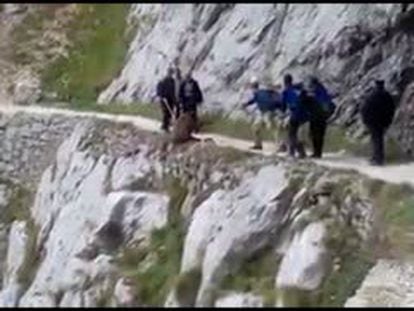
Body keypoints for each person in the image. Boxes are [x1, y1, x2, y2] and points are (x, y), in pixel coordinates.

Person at [242, 77, 285, 150]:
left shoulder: (262, 92)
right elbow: (252, 101)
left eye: (254, 85)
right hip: (263, 113)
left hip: (268, 112)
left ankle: (281, 145)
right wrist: (246, 104)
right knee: (256, 127)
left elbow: (274, 95)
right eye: (253, 85)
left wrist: (246, 104)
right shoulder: (260, 92)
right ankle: (258, 144)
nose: (253, 87)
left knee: (271, 128)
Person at [360, 80, 396, 166]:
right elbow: (392, 108)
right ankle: (379, 157)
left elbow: (364, 108)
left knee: (375, 139)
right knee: (379, 139)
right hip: (383, 121)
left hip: (372, 121)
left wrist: (365, 120)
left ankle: (376, 158)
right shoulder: (387, 95)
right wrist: (389, 120)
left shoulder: (370, 95)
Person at [306, 76, 336, 158]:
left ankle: (316, 153)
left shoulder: (314, 93)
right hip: (323, 117)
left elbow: (310, 104)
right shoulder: (324, 91)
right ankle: (319, 152)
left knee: (314, 134)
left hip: (315, 116)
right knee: (320, 135)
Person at [282, 74, 308, 158]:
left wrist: (283, 113)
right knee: (295, 133)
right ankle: (300, 152)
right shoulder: (299, 89)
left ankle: (293, 152)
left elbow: (283, 105)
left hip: (295, 113)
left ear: (285, 82)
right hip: (304, 114)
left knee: (292, 133)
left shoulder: (286, 91)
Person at [156, 67, 180, 132]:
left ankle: (167, 125)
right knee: (165, 112)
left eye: (171, 73)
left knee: (170, 113)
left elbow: (173, 91)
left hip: (170, 99)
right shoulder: (163, 80)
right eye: (170, 73)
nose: (170, 74)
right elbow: (159, 88)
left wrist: (175, 99)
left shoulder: (172, 81)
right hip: (164, 99)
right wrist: (161, 96)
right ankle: (165, 126)